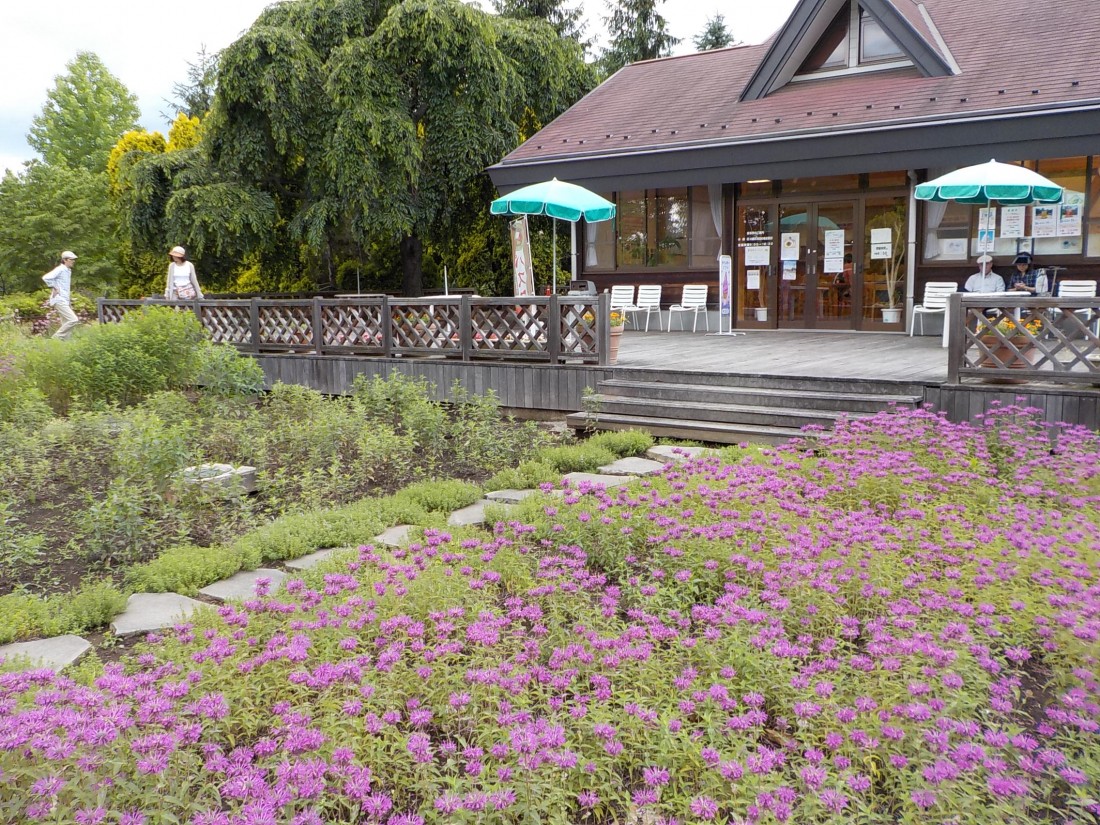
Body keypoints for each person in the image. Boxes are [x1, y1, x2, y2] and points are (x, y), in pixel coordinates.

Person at [41, 250, 80, 339]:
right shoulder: (61, 269)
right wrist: (54, 287)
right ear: (65, 260)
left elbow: (64, 287)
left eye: (74, 259)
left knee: (66, 324)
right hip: (59, 299)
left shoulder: (67, 270)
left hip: (64, 300)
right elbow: (46, 277)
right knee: (73, 320)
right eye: (71, 259)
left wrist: (68, 301)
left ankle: (64, 345)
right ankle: (55, 339)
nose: (73, 261)